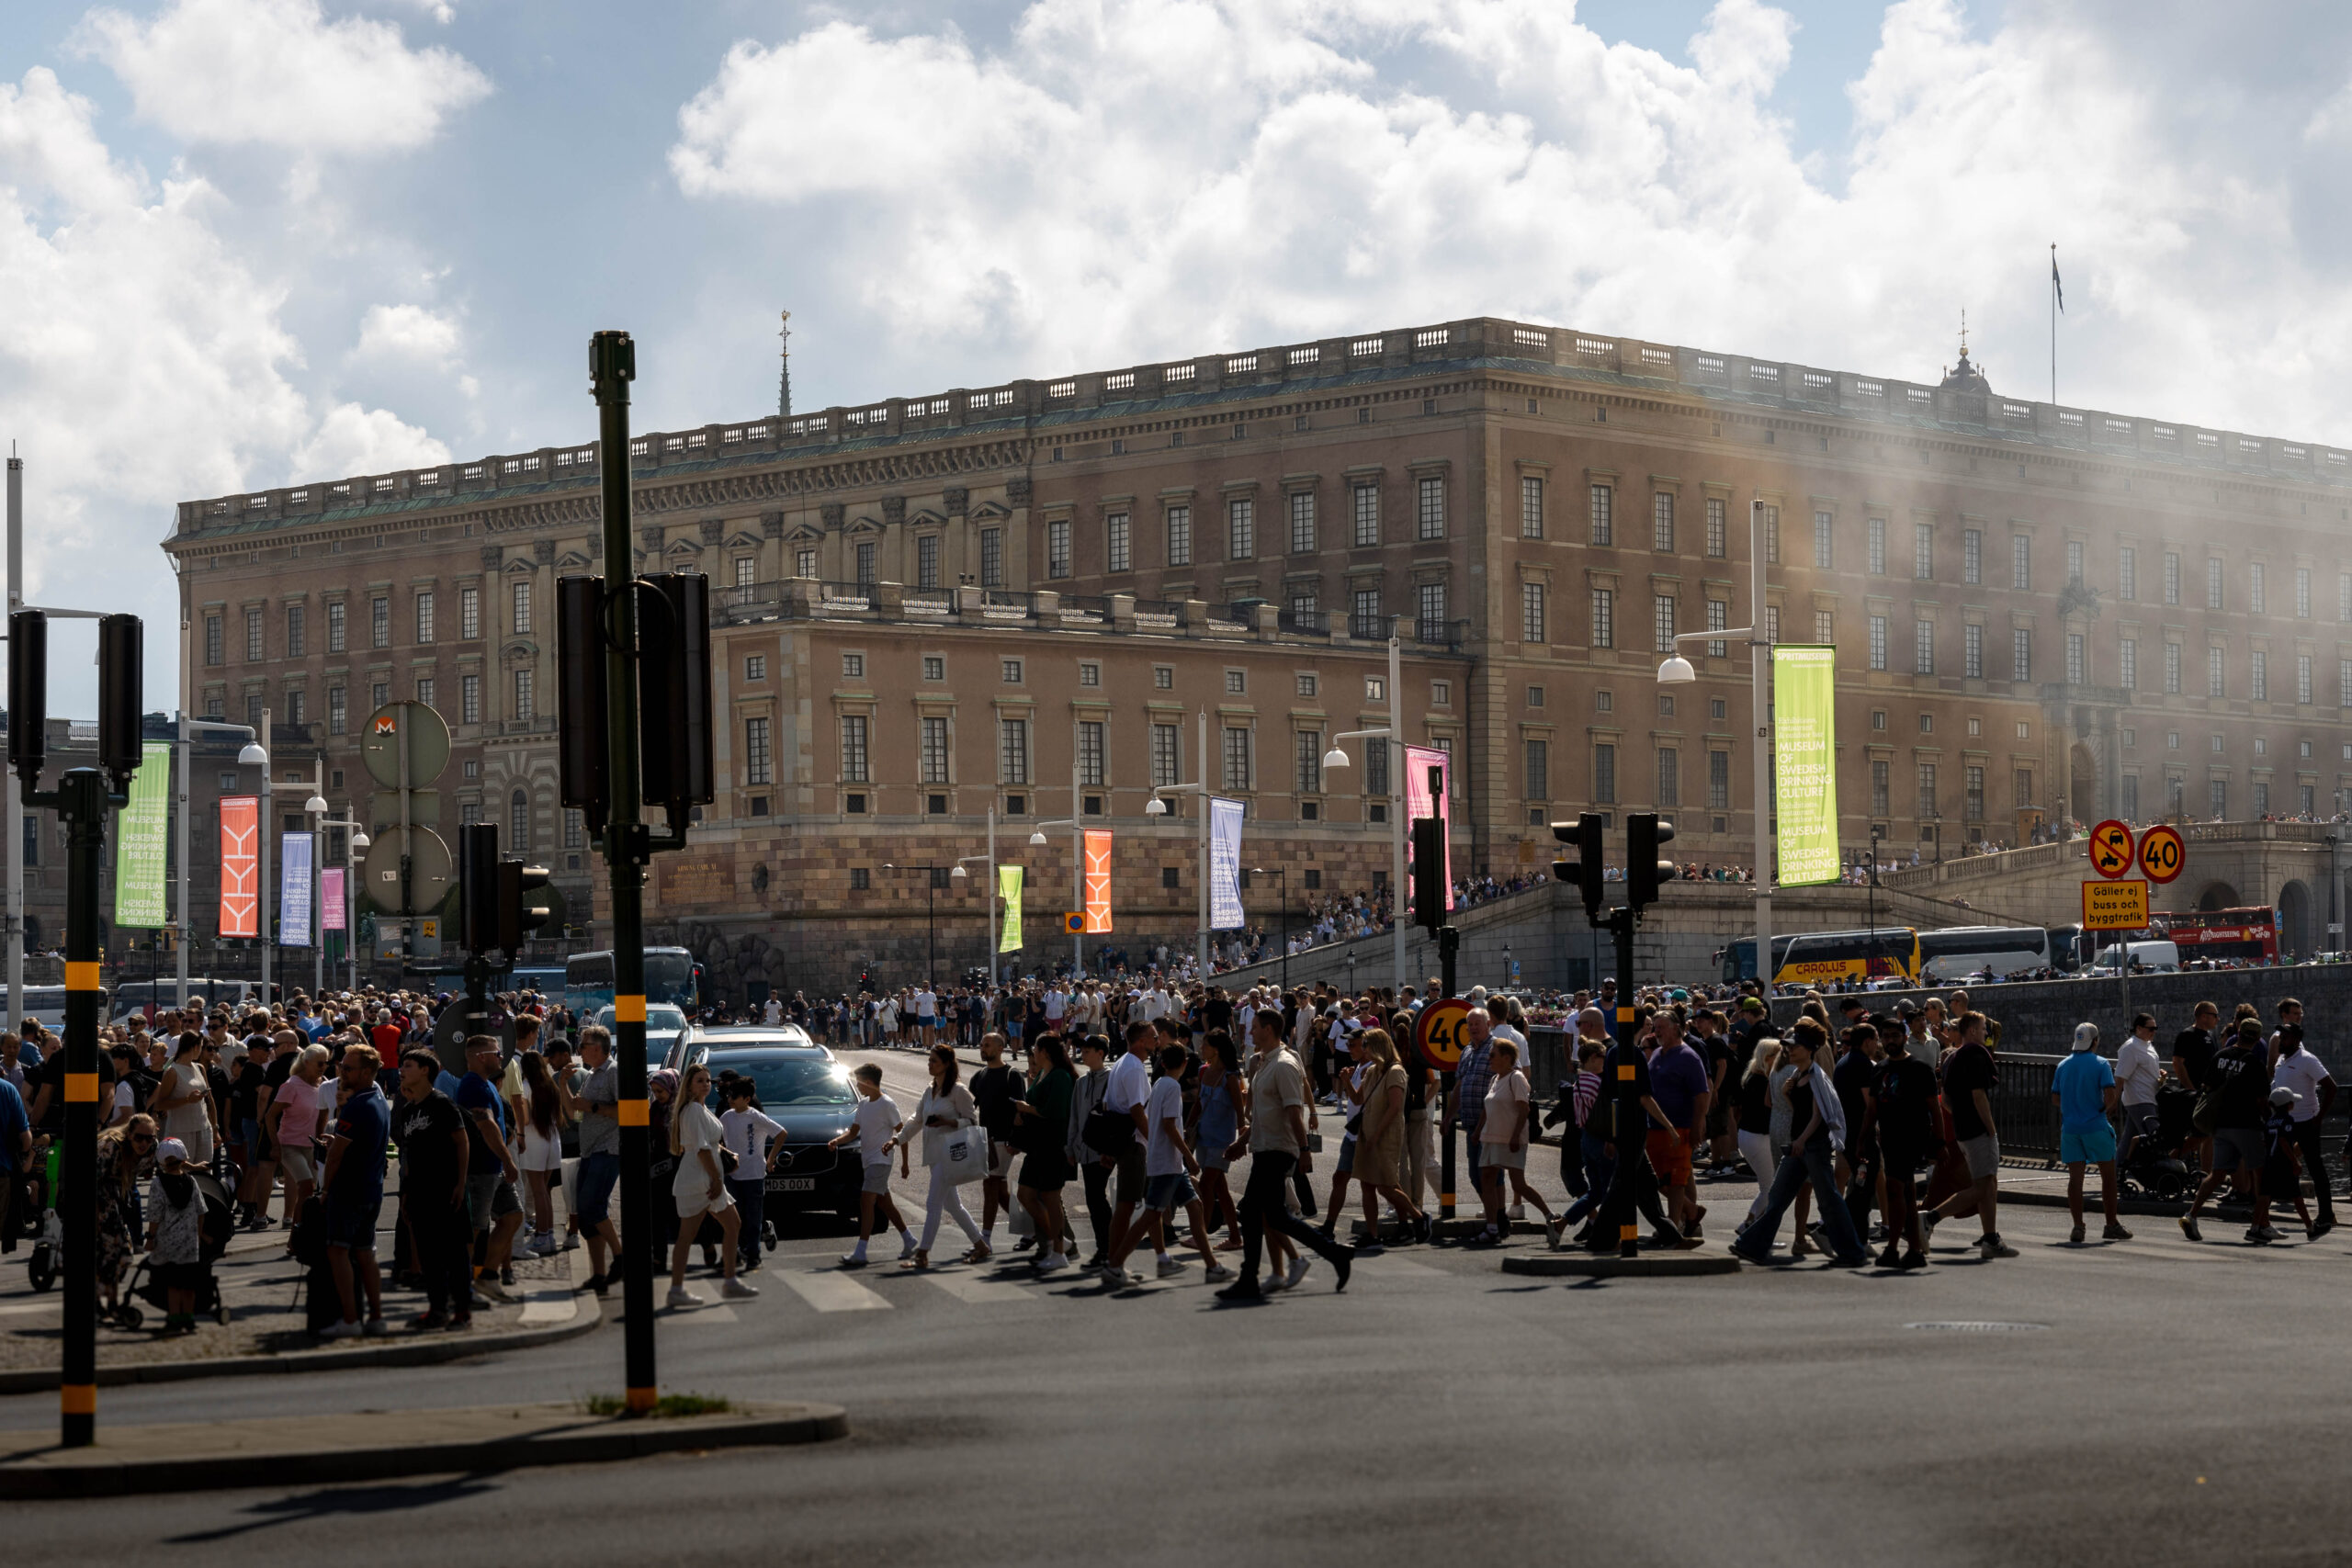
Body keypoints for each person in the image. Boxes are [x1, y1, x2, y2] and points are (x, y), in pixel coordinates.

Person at [1215, 1009, 1353, 1302]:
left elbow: (1293, 1111)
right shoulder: (1265, 1063)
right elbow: (1265, 1113)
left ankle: (1250, 1279)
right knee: (1269, 1214)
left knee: (1255, 1211)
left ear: (1268, 1029)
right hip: (1265, 1146)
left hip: (1279, 1149)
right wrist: (1243, 1141)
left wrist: (1304, 1150)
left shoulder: (1285, 1065)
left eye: (1254, 1027)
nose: (1249, 1033)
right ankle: (1334, 1254)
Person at [1730, 1024, 1868, 1267]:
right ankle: (1752, 1246)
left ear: (1810, 1050)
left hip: (1812, 1147)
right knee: (1777, 1197)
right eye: (1789, 1046)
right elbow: (1799, 1113)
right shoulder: (1797, 1075)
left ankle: (1853, 1252)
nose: (1790, 1050)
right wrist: (1785, 1094)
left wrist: (1801, 1140)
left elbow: (1819, 1116)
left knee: (1829, 1200)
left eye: (1796, 1046)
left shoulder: (1817, 1077)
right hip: (1799, 1146)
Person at [1923, 1011, 2016, 1258]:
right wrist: (1991, 1128)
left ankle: (1990, 1237)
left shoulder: (1952, 1057)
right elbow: (1979, 1095)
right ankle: (1930, 1218)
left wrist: (1961, 1117)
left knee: (1988, 1183)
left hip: (1963, 1130)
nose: (1986, 1033)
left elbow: (1946, 1100)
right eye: (1984, 1028)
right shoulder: (1976, 1053)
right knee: (1983, 1186)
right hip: (1977, 1130)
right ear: (1973, 1030)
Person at [392, 1049, 473, 1330]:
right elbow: (409, 1154)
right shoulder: (408, 1109)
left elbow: (462, 1142)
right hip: (418, 1193)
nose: (402, 1070)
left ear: (425, 1070)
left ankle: (462, 1311)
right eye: (402, 1066)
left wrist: (461, 1183)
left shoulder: (442, 1103)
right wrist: (405, 1194)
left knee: (454, 1254)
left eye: (409, 1065)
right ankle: (437, 1309)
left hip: (446, 1190)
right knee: (428, 1256)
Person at [318, 1043, 391, 1337]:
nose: (341, 1073)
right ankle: (375, 1316)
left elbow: (336, 1157)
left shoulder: (358, 1103)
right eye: (340, 1067)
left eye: (347, 1068)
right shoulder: (378, 1098)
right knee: (364, 1255)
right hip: (372, 1188)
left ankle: (350, 1319)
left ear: (366, 1072)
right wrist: (335, 1142)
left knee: (338, 1252)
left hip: (349, 1190)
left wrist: (325, 1190)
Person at [668, 1063, 755, 1304]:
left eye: (708, 1080)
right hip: (701, 1180)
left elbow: (710, 1143)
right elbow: (700, 1149)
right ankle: (678, 1289)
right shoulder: (694, 1110)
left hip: (706, 1178)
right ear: (689, 1084)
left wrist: (727, 1155)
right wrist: (716, 1179)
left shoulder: (700, 1109)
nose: (706, 1084)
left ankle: (729, 1281)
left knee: (731, 1225)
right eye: (700, 1080)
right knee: (688, 1235)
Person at [2182, 1019, 2272, 1244]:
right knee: (2262, 1177)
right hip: (2247, 1125)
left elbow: (2208, 1087)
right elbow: (2262, 1100)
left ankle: (2191, 1214)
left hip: (2221, 1125)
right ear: (2258, 1038)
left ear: (2238, 1033)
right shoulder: (2254, 1063)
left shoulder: (2220, 1056)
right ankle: (2258, 1227)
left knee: (2218, 1173)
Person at [900, 1044, 986, 1269]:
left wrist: (948, 1122)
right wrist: (897, 1139)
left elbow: (973, 1122)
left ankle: (923, 1253)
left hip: (951, 1155)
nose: (929, 1064)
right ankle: (980, 1244)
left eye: (934, 1061)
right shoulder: (929, 1090)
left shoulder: (959, 1091)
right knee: (953, 1205)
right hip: (934, 1155)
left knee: (933, 1203)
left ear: (947, 1064)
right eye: (929, 1060)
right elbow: (917, 1119)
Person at [455, 1034, 525, 1303]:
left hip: (493, 1167)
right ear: (480, 1057)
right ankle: (465, 1289)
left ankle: (487, 1277)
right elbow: (486, 1125)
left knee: (512, 1217)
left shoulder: (487, 1085)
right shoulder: (472, 1085)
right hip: (480, 1169)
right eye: (496, 1053)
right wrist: (508, 1160)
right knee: (474, 1231)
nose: (500, 1058)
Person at [829, 1062, 914, 1269]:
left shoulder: (887, 1104)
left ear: (868, 1082)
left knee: (866, 1201)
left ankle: (861, 1251)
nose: (857, 1087)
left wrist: (905, 1163)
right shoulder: (864, 1104)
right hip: (868, 1161)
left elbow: (903, 1134)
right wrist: (836, 1141)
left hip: (881, 1161)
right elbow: (853, 1131)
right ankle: (909, 1239)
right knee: (885, 1204)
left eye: (859, 1083)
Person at [1871, 1021, 1941, 1269]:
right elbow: (1872, 1109)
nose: (1890, 1041)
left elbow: (1935, 1107)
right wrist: (1863, 1138)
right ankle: (1914, 1250)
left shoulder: (1920, 1069)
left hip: (1913, 1136)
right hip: (1889, 1137)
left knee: (1894, 1189)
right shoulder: (1879, 1069)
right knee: (1908, 1195)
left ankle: (1892, 1248)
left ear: (1904, 1037)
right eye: (1886, 1036)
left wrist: (1939, 1142)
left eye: (1895, 1036)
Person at [2050, 1023, 2129, 1245]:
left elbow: (2055, 1098)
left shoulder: (2062, 1066)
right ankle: (2111, 1224)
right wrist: (2104, 1109)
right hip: (2095, 1126)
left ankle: (2078, 1226)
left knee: (2075, 1180)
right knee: (2108, 1177)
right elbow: (2110, 1094)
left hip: (2071, 1129)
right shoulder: (2101, 1064)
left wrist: (2073, 1105)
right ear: (2095, 1041)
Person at [1472, 1038, 1556, 1244]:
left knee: (1518, 1184)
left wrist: (1516, 1136)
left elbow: (1523, 1109)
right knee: (1487, 1180)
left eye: (1493, 1055)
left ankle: (1550, 1216)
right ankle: (1492, 1227)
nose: (1489, 1059)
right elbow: (1487, 1108)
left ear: (1506, 1057)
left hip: (1510, 1139)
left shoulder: (1515, 1078)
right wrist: (1477, 1131)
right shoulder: (1495, 1079)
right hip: (1491, 1138)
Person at [561, 1028, 624, 1294]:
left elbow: (628, 1110)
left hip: (607, 1150)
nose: (580, 1049)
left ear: (597, 1047)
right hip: (589, 1150)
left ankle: (621, 1256)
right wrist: (562, 1084)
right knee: (585, 1216)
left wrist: (594, 1108)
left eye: (583, 1045)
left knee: (592, 1205)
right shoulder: (591, 1074)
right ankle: (599, 1274)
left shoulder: (613, 1072)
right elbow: (574, 1110)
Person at [1351, 1028, 1426, 1251]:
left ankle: (1417, 1217)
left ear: (1377, 1046)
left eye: (1366, 1045)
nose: (1363, 1049)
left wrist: (1377, 1134)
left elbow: (1395, 1107)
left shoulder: (1395, 1071)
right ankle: (1373, 1235)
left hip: (1385, 1135)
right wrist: (1346, 1081)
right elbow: (1357, 1098)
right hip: (1368, 1132)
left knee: (1385, 1185)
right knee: (1367, 1184)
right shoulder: (1373, 1070)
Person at [1012, 1036, 1077, 1275]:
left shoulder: (1060, 1076)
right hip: (1039, 1145)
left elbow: (1055, 1111)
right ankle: (1056, 1240)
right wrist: (1024, 1111)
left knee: (1050, 1198)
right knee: (1025, 1193)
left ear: (1045, 1052)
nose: (1034, 1053)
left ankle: (1059, 1251)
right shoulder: (1041, 1074)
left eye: (1036, 1049)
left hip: (1053, 1145)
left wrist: (1026, 1109)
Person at [1645, 1012, 1712, 1241]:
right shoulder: (1655, 1054)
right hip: (1654, 1127)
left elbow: (1702, 1095)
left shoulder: (1688, 1057)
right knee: (1654, 1180)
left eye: (1662, 1027)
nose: (1658, 1031)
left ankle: (1672, 1226)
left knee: (1675, 1181)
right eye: (1655, 1027)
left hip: (1680, 1128)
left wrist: (1697, 1126)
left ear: (1676, 1028)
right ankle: (1691, 1211)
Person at [2268, 1021, 2335, 1236]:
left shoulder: (2307, 1059)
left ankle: (2326, 1215)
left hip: (2306, 1121)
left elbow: (2330, 1088)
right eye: (2280, 1036)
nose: (2281, 1040)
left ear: (2296, 1040)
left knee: (2315, 1168)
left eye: (2285, 1037)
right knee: (2276, 1165)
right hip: (2284, 1122)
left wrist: (2319, 1118)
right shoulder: (2280, 1060)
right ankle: (2262, 1213)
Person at [720, 1077, 785, 1274]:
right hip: (733, 1174)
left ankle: (754, 1254)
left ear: (747, 1099)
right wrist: (725, 1155)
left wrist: (771, 1159)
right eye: (729, 1095)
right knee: (736, 1217)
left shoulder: (755, 1117)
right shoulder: (726, 1117)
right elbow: (720, 1140)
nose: (730, 1099)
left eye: (735, 1096)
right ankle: (739, 1251)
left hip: (755, 1174)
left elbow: (781, 1133)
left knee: (753, 1216)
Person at [144, 1136, 209, 1334]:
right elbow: (201, 1211)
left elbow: (155, 1215)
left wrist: (150, 1238)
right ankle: (188, 1318)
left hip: (168, 1243)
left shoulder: (158, 1184)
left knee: (173, 1285)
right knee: (188, 1286)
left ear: (161, 1161)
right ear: (184, 1159)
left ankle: (174, 1318)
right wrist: (198, 1235)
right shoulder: (192, 1181)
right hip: (190, 1243)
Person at [968, 1032, 1024, 1253]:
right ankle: (1032, 1231)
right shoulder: (979, 1075)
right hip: (985, 1139)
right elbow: (969, 1107)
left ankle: (985, 1239)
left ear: (1001, 1048)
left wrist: (1016, 1140)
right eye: (982, 1044)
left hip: (1004, 1140)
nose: (983, 1048)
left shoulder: (1012, 1075)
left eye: (987, 1045)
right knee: (1000, 1190)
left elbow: (1022, 1110)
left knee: (990, 1185)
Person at [1193, 1030, 1248, 1250]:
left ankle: (1202, 1235)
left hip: (1221, 1140)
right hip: (1204, 1137)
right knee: (1221, 1190)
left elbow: (1238, 1108)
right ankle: (1235, 1237)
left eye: (1205, 1045)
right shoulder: (1203, 1071)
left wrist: (1241, 1138)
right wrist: (1188, 1127)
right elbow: (1198, 1103)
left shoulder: (1229, 1077)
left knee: (1206, 1185)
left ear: (1216, 1049)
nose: (1201, 1048)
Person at [514, 1050, 566, 1257]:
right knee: (544, 1192)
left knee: (539, 1193)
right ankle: (549, 1236)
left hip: (534, 1141)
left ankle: (543, 1236)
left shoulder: (526, 1088)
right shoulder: (550, 1086)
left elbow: (525, 1120)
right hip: (552, 1140)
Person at [150, 1030, 216, 1170]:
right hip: (181, 1131)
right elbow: (159, 1104)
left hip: (204, 1128)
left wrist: (215, 1127)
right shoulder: (172, 1071)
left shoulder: (200, 1067)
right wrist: (187, 1100)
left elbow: (209, 1099)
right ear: (195, 1047)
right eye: (202, 1046)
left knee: (205, 1174)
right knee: (182, 1173)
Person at [1733, 1039, 1782, 1226]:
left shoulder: (1753, 1077)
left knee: (1768, 1187)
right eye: (1778, 1055)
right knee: (1769, 1188)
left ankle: (1755, 1227)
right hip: (1758, 1137)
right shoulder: (1762, 1081)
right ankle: (1749, 1224)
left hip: (1748, 1135)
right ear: (1768, 1058)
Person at [2113, 1012, 2163, 1166]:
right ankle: (2155, 1170)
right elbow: (2121, 1076)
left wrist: (2160, 1074)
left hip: (2149, 1096)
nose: (2154, 1031)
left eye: (2156, 1028)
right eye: (2151, 1028)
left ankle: (2115, 1173)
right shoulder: (2131, 1047)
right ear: (2139, 1028)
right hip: (2140, 1099)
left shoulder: (2147, 1045)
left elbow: (2145, 1069)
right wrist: (2114, 1102)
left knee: (2129, 1140)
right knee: (2153, 1136)